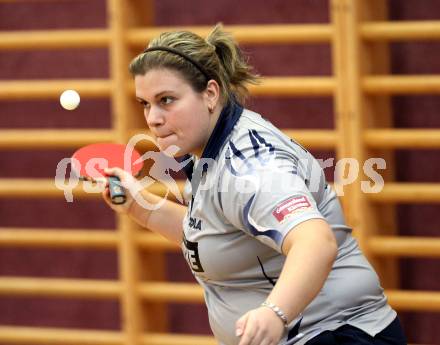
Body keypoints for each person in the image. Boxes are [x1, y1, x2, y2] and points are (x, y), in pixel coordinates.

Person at [102, 24, 407, 345]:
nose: (153, 118)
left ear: (210, 94)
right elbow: (221, 235)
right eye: (145, 104)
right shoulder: (208, 153)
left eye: (167, 100)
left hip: (338, 334)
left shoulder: (248, 164)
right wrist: (140, 206)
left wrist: (275, 312)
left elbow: (316, 242)